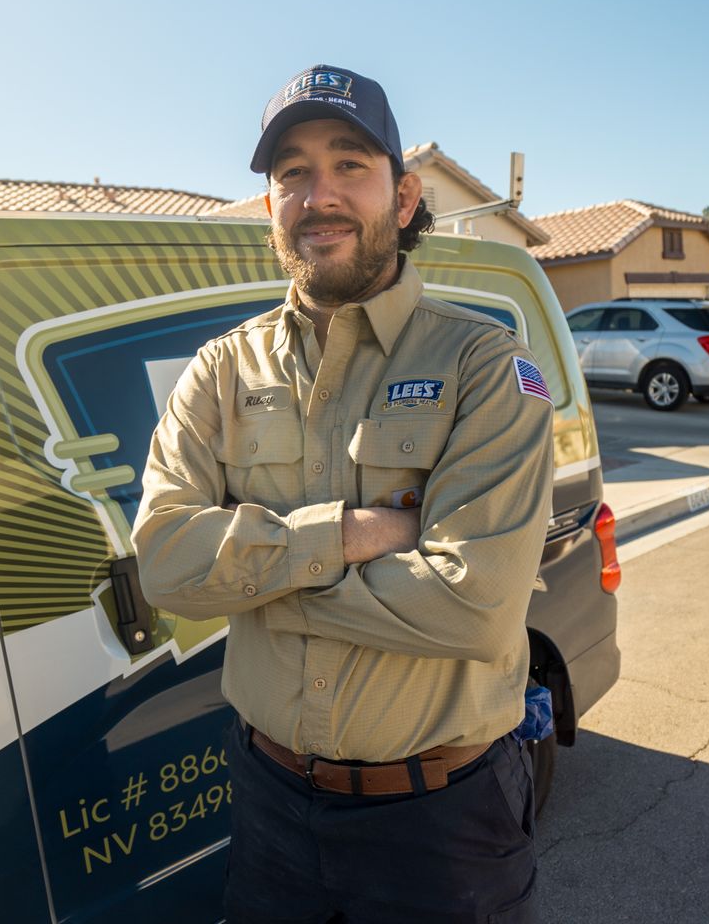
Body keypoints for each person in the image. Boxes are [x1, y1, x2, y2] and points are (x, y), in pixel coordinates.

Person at [131, 63, 554, 923]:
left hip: (441, 826)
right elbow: (166, 570)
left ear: (404, 199)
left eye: (349, 165)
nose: (317, 194)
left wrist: (256, 593)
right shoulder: (219, 371)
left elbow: (474, 608)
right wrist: (356, 534)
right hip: (268, 801)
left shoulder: (484, 366)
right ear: (270, 209)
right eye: (292, 173)